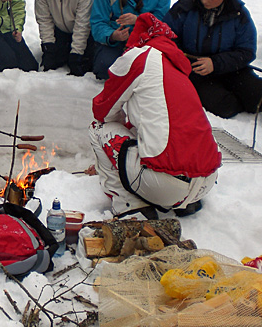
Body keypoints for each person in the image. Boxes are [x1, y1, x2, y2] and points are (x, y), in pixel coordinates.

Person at [89, 13, 222, 219]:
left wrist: (117, 146)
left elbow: (103, 111)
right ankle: (186, 203)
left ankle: (129, 204)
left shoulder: (138, 57)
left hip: (165, 185)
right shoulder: (176, 65)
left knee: (98, 129)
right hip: (206, 180)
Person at [163, 0, 262, 118]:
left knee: (261, 96)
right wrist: (185, 59)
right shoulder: (184, 6)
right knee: (224, 107)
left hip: (230, 68)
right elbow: (166, 35)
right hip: (196, 68)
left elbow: (247, 51)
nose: (204, 1)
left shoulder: (238, 14)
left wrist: (215, 63)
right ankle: (248, 103)